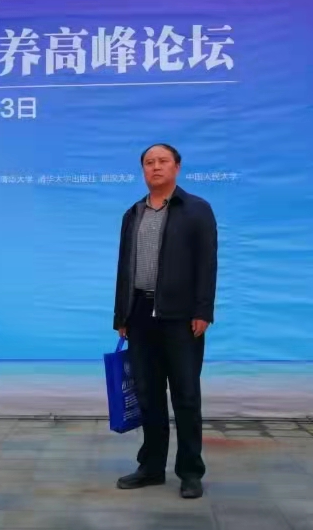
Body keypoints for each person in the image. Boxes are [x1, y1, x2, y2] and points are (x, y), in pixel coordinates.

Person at [113, 143, 217, 499]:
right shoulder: (133, 213)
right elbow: (124, 268)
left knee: (186, 395)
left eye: (163, 161)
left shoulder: (196, 209)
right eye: (149, 162)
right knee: (148, 395)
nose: (155, 167)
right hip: (140, 315)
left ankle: (190, 472)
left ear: (177, 167)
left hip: (182, 316)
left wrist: (203, 311)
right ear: (143, 169)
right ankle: (151, 467)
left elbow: (207, 264)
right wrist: (121, 314)